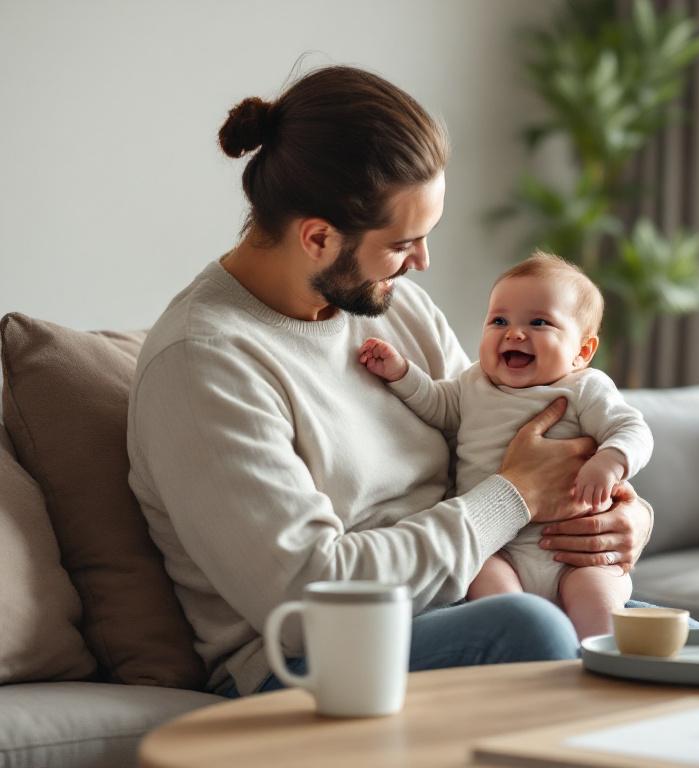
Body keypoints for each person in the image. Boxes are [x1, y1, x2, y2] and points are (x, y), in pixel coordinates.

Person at [127, 65, 657, 698]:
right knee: (532, 631)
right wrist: (514, 497)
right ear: (319, 238)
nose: (422, 263)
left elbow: (494, 426)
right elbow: (309, 595)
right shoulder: (204, 362)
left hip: (481, 594)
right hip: (318, 659)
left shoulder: (389, 307)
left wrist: (623, 521)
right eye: (405, 243)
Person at [359, 252, 653, 639]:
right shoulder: (474, 382)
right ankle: (525, 639)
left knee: (603, 609)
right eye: (499, 321)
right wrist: (401, 373)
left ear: (582, 351)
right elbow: (437, 404)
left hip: (574, 553)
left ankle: (598, 661)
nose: (514, 333)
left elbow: (632, 429)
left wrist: (610, 463)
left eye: (539, 322)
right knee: (497, 597)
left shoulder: (585, 388)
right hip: (496, 545)